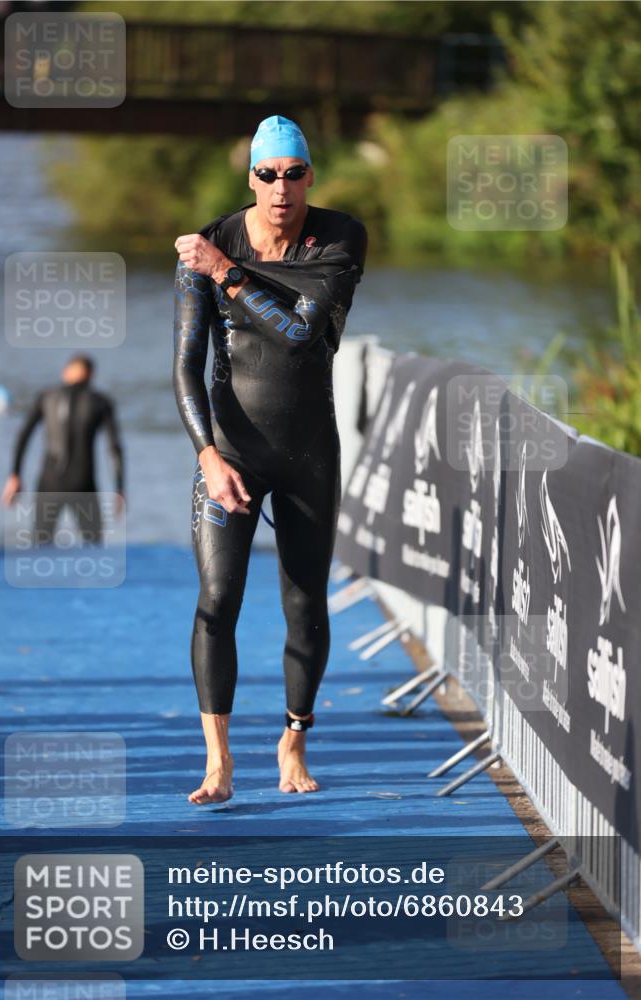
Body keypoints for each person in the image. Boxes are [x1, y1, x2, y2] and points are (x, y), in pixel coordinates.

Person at [174, 114, 367, 805]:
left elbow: (295, 335)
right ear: (249, 177)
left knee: (303, 602)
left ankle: (293, 738)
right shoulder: (210, 240)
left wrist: (224, 272)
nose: (279, 187)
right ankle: (218, 761)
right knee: (217, 598)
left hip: (308, 450)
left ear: (310, 177)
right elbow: (185, 368)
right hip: (230, 451)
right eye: (266, 174)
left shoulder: (338, 238)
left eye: (292, 174)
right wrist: (205, 455)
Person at [0, 354, 124, 543]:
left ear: (65, 372)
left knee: (41, 544)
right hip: (83, 483)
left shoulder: (46, 397)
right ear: (91, 375)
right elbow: (114, 448)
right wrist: (119, 488)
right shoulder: (101, 402)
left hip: (50, 482)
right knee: (93, 545)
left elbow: (24, 436)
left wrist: (15, 475)